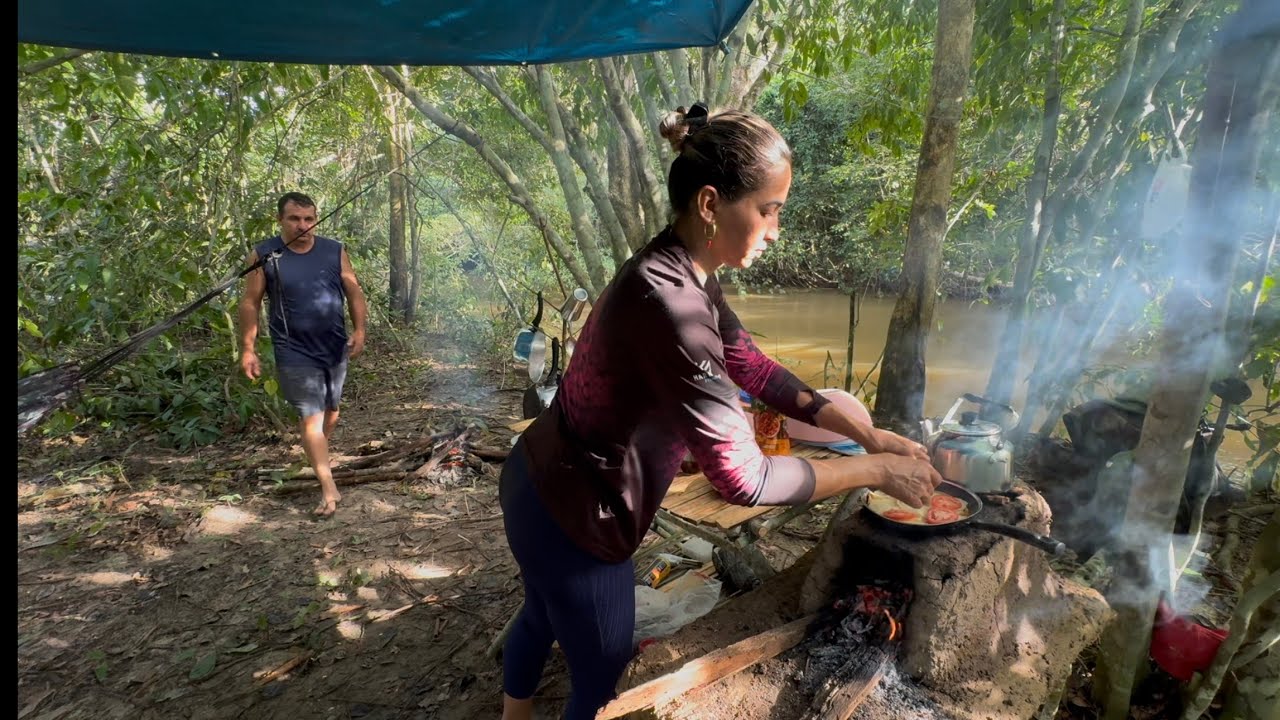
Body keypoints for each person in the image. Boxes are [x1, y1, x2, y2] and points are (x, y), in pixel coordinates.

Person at [497, 104, 943, 719]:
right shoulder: (670, 305)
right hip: (578, 518)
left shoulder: (683, 272)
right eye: (769, 210)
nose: (775, 230)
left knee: (541, 615)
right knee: (600, 686)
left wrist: (868, 435)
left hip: (535, 482)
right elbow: (743, 479)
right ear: (710, 204)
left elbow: (754, 368)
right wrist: (876, 474)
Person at [238, 192, 369, 517]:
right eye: (295, 219)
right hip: (293, 349)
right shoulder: (266, 254)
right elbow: (250, 302)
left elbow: (354, 290)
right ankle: (328, 488)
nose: (303, 225)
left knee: (331, 414)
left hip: (333, 346)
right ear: (280, 220)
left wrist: (360, 330)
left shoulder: (333, 250)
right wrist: (248, 348)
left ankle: (314, 457)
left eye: (309, 219)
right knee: (311, 419)